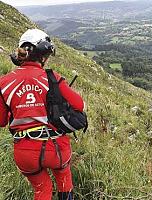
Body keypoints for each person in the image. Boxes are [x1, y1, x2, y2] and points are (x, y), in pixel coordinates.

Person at [0, 29, 85, 200]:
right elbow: (79, 104)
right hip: (56, 148)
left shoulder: (4, 82)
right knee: (63, 178)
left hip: (24, 151)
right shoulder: (52, 77)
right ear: (43, 55)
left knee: (42, 188)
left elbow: (1, 121)